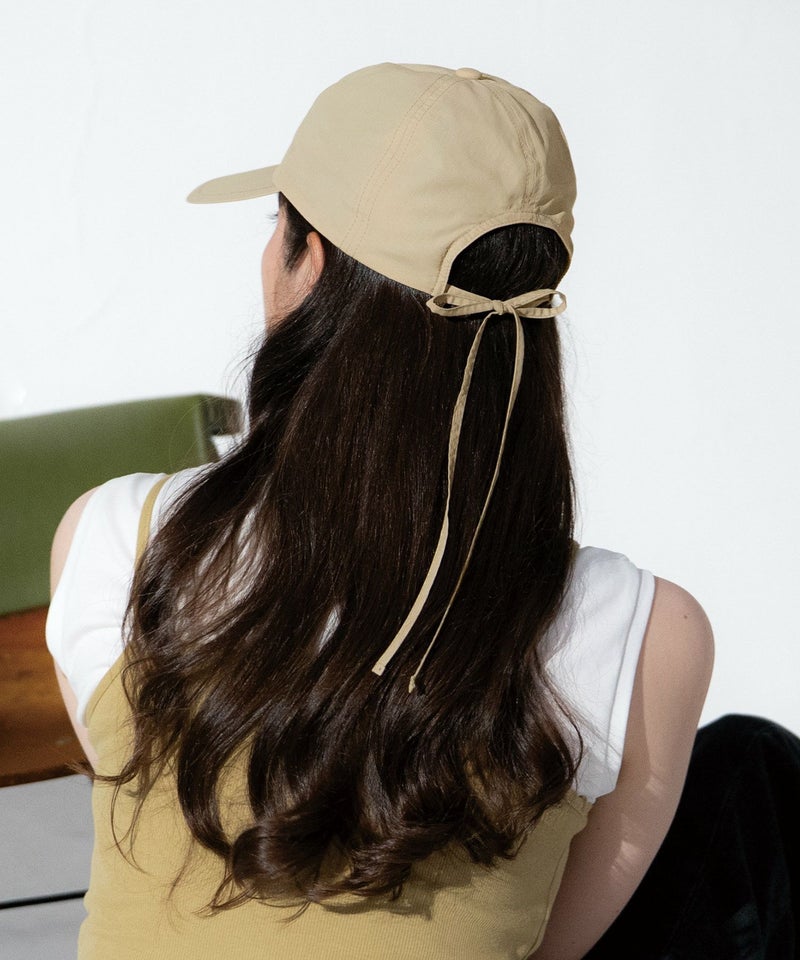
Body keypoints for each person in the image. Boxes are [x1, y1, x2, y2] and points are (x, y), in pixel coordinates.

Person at [45, 63, 791, 960]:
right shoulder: (653, 633)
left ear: (308, 263)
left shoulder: (116, 544)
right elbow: (550, 947)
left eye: (276, 223)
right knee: (752, 774)